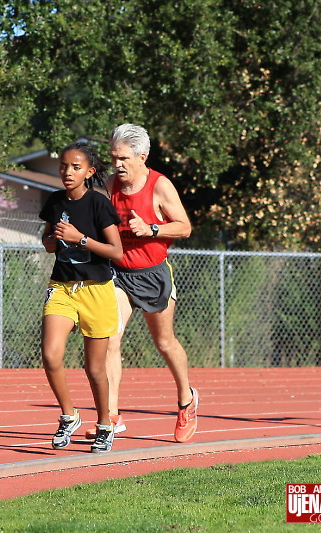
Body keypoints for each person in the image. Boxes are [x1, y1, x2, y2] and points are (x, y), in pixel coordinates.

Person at [84, 123, 198, 443]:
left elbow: (184, 227)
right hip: (118, 273)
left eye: (123, 158)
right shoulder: (110, 184)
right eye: (113, 157)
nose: (117, 164)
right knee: (110, 337)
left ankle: (186, 400)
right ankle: (111, 416)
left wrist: (152, 229)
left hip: (153, 274)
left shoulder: (160, 186)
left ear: (142, 157)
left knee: (164, 342)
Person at [39, 142, 123, 453]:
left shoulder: (99, 203)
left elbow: (116, 251)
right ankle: (69, 415)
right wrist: (51, 240)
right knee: (50, 355)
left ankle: (105, 424)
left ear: (89, 172)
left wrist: (80, 238)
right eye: (63, 166)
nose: (68, 172)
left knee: (94, 369)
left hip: (96, 290)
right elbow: (48, 239)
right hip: (62, 287)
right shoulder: (55, 201)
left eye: (76, 167)